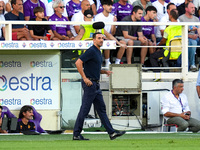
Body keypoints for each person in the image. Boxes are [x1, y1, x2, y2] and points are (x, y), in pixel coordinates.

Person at [73, 32, 126, 140]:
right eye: (99, 38)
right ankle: (76, 134)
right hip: (90, 84)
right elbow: (78, 62)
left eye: (102, 38)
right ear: (94, 40)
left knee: (101, 109)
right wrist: (84, 78)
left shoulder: (98, 51)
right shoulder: (91, 50)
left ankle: (111, 133)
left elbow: (92, 68)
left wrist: (103, 72)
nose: (101, 40)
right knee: (85, 110)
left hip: (95, 84)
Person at [95, 0, 124, 67]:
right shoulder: (98, 17)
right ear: (103, 6)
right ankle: (107, 62)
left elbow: (113, 32)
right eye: (108, 5)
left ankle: (117, 62)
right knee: (108, 42)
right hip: (101, 37)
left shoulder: (112, 17)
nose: (110, 7)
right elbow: (100, 31)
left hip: (111, 37)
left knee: (123, 43)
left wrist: (114, 23)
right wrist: (107, 37)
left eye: (111, 5)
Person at [178, 2, 200, 71]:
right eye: (191, 8)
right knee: (193, 42)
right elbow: (179, 33)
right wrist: (190, 34)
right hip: (186, 38)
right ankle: (192, 64)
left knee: (195, 41)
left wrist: (198, 34)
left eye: (194, 8)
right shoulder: (181, 18)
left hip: (195, 38)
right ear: (186, 9)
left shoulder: (196, 19)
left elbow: (199, 31)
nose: (193, 9)